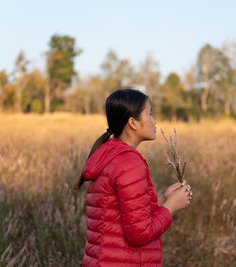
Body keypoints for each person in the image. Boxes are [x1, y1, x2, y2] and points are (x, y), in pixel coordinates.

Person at [74, 88, 193, 266]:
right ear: (133, 123)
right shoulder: (128, 164)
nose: (154, 121)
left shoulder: (109, 157)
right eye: (149, 114)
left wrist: (162, 200)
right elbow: (139, 234)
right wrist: (170, 207)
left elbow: (123, 216)